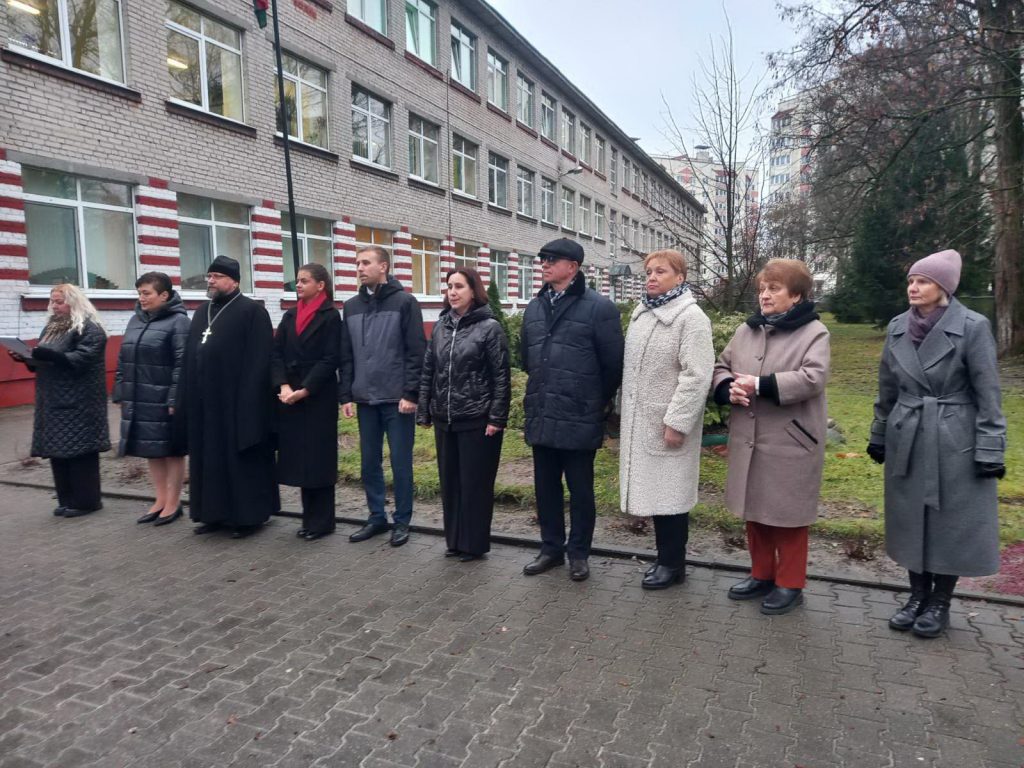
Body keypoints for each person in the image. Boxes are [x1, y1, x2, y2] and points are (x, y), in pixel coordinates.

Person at [867, 249, 1005, 638]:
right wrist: (879, 433)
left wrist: (990, 448)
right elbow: (887, 387)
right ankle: (916, 597)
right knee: (911, 519)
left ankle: (939, 602)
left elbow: (989, 392)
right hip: (908, 435)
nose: (913, 287)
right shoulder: (897, 327)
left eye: (923, 281)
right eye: (911, 280)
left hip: (954, 438)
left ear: (944, 287)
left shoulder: (973, 326)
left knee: (949, 523)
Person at [711, 259, 830, 615]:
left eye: (774, 289)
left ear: (796, 295)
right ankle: (761, 574)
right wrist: (728, 388)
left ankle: (790, 584)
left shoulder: (814, 333)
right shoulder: (746, 331)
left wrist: (760, 385)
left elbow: (813, 378)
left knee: (788, 516)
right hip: (749, 437)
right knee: (755, 510)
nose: (764, 295)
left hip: (791, 440)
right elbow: (721, 366)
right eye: (762, 289)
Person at [519, 238, 624, 582]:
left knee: (580, 490)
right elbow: (527, 358)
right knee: (545, 488)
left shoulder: (599, 308)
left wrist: (593, 401)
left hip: (579, 414)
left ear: (573, 267)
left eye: (552, 259)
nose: (545, 264)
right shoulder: (535, 307)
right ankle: (550, 548)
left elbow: (613, 365)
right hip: (542, 410)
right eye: (543, 259)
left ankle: (579, 553)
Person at [619, 250, 714, 589]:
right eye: (648, 271)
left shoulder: (691, 318)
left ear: (680, 277)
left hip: (666, 423)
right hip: (642, 420)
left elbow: (697, 375)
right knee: (657, 493)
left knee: (671, 496)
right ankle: (664, 559)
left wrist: (677, 421)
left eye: (661, 271)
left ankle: (673, 565)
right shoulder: (643, 313)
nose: (652, 277)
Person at [175, 255, 277, 539]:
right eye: (209, 276)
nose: (211, 281)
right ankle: (213, 514)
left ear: (233, 280)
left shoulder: (252, 312)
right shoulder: (202, 311)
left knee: (239, 460)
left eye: (217, 277)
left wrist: (250, 401)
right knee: (208, 457)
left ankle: (248, 517)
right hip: (205, 402)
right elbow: (190, 356)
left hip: (237, 402)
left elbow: (260, 361)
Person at [417, 268, 511, 561]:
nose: (452, 292)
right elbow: (429, 370)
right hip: (445, 419)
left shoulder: (490, 328)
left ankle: (474, 544)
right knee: (451, 483)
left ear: (473, 291)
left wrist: (496, 417)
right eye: (449, 287)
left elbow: (501, 376)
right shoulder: (441, 326)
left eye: (459, 286)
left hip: (477, 419)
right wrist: (424, 410)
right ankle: (455, 540)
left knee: (475, 485)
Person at [339, 245, 426, 547]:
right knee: (369, 463)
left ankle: (402, 521)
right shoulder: (351, 306)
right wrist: (345, 394)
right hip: (365, 399)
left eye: (366, 262)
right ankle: (376, 517)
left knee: (400, 463)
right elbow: (346, 354)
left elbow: (416, 351)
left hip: (397, 401)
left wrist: (411, 393)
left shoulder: (405, 302)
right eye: (357, 263)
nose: (359, 268)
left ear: (383, 267)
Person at [7, 285, 109, 518]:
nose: (54, 306)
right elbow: (44, 362)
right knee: (58, 452)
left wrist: (51, 355)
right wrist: (26, 358)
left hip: (80, 401)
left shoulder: (90, 328)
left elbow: (82, 359)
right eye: (52, 301)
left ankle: (87, 502)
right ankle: (67, 500)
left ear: (74, 302)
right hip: (52, 399)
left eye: (59, 301)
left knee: (80, 452)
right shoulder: (52, 327)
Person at [272, 262, 342, 542]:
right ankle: (307, 518)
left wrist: (306, 389)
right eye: (297, 281)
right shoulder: (290, 315)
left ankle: (323, 522)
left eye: (304, 281)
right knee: (300, 459)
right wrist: (283, 384)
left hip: (317, 397)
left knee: (318, 459)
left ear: (320, 285)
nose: (298, 285)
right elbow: (276, 352)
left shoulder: (330, 316)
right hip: (290, 395)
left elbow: (330, 358)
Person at [113, 272, 190, 526]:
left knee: (171, 450)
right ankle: (160, 499)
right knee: (151, 450)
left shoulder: (179, 322)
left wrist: (175, 398)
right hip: (138, 397)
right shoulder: (135, 320)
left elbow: (183, 364)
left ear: (164, 295)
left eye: (146, 293)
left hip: (164, 398)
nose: (141, 298)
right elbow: (123, 359)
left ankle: (173, 503)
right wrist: (120, 392)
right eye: (139, 293)